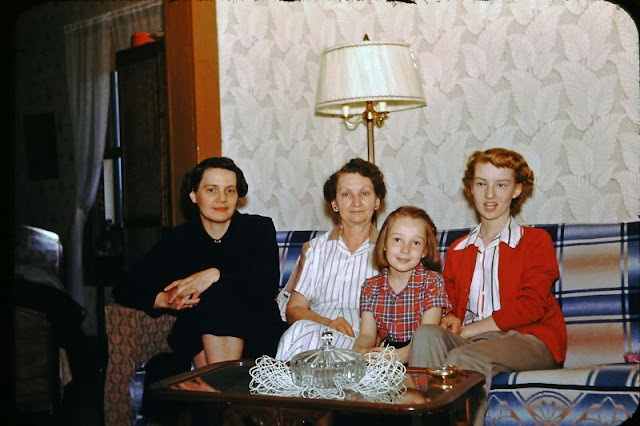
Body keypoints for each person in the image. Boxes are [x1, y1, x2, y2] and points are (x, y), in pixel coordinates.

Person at [409, 148, 567, 426]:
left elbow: (530, 307)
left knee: (462, 356)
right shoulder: (459, 249)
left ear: (517, 190)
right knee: (426, 335)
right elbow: (451, 304)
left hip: (529, 340)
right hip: (476, 342)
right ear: (470, 188)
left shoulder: (534, 241)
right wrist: (450, 317)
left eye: (501, 185)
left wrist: (468, 329)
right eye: (482, 184)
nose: (490, 195)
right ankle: (423, 420)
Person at [114, 156, 284, 368]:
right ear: (194, 195)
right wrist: (162, 299)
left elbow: (265, 287)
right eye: (211, 190)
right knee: (211, 306)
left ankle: (219, 389)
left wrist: (215, 274)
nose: (222, 199)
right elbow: (125, 286)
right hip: (197, 337)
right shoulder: (180, 239)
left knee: (219, 297)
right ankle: (221, 388)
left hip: (256, 333)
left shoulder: (258, 229)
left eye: (230, 190)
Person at [275, 158, 386, 361]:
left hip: (365, 338)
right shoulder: (316, 249)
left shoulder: (389, 250)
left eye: (364, 193)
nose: (356, 202)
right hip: (318, 331)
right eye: (346, 195)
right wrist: (327, 323)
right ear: (334, 204)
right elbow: (295, 309)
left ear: (377, 201)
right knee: (300, 333)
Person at [353, 206, 451, 364]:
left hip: (423, 354)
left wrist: (395, 357)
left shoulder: (432, 282)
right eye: (397, 240)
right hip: (387, 352)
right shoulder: (370, 287)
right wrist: (360, 351)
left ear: (425, 251)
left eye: (416, 243)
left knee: (426, 337)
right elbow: (367, 335)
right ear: (384, 243)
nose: (405, 250)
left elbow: (428, 335)